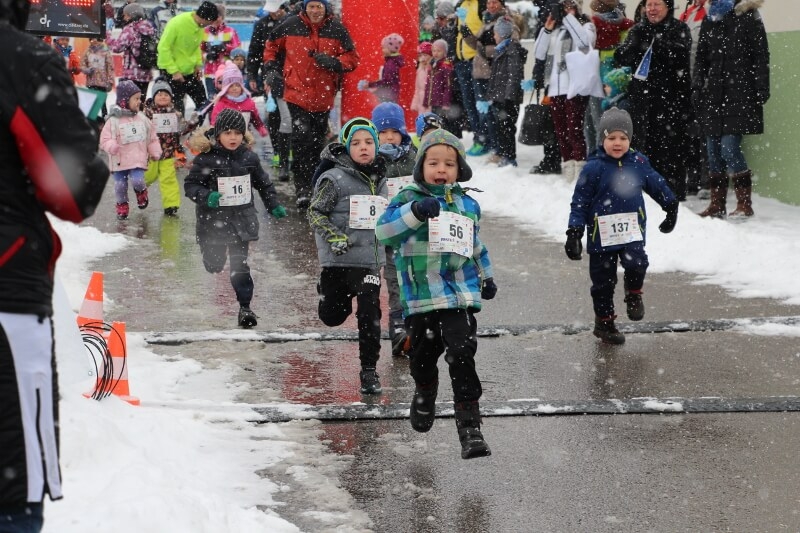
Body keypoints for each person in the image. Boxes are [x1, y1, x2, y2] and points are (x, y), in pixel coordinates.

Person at [1, 0, 109, 527]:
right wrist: (93, 153)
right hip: (8, 289)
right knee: (13, 475)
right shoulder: (22, 60)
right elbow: (72, 191)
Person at [375, 128, 497, 460]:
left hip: (459, 295)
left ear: (459, 170)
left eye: (449, 164)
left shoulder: (467, 204)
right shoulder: (406, 199)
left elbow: (475, 245)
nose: (441, 169)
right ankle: (425, 391)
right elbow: (384, 232)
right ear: (421, 167)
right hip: (422, 297)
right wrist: (415, 213)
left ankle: (470, 427)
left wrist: (487, 276)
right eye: (433, 163)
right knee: (423, 357)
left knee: (462, 353)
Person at [565, 107, 678, 345]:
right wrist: (574, 232)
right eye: (612, 138)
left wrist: (670, 206)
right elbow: (580, 202)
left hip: (631, 231)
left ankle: (634, 293)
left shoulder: (638, 162)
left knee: (637, 263)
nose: (618, 143)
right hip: (601, 234)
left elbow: (657, 184)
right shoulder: (593, 167)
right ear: (602, 139)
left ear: (630, 139)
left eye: (623, 138)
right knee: (603, 282)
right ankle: (604, 323)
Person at [184, 109, 288, 328]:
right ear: (218, 134)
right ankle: (211, 258)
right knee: (214, 264)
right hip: (212, 224)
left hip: (241, 222)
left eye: (238, 133)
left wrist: (273, 205)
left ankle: (245, 308)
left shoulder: (249, 158)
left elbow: (264, 184)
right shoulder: (206, 159)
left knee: (240, 267)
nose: (233, 137)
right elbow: (191, 186)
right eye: (228, 133)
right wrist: (207, 196)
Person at [307, 118, 387, 394]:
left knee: (370, 312)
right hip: (339, 261)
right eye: (356, 143)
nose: (363, 147)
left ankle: (369, 370)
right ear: (346, 148)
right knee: (332, 317)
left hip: (369, 262)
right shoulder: (334, 179)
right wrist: (334, 236)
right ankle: (325, 291)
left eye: (369, 142)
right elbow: (315, 213)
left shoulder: (382, 179)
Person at [263, 0, 360, 209]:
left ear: (325, 8)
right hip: (296, 93)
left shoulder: (336, 28)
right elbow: (270, 45)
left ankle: (316, 184)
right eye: (311, 6)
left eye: (319, 7)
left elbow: (352, 58)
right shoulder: (290, 25)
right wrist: (271, 69)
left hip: (323, 96)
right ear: (305, 7)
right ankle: (302, 188)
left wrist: (335, 63)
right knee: (301, 140)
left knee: (317, 143)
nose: (315, 11)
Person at [693, 0, 769, 218]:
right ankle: (717, 205)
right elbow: (701, 56)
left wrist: (762, 86)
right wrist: (697, 84)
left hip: (740, 92)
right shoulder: (710, 18)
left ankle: (745, 205)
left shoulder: (749, 15)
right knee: (712, 150)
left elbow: (761, 54)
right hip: (714, 93)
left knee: (729, 148)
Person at [614, 0, 692, 200]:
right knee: (644, 145)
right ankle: (647, 188)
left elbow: (681, 58)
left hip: (671, 100)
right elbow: (621, 57)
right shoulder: (638, 30)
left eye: (657, 5)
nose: (652, 9)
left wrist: (657, 42)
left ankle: (673, 191)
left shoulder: (679, 28)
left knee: (671, 147)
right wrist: (634, 45)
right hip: (642, 100)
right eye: (649, 5)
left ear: (668, 7)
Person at [371, 102, 417, 356]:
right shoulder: (371, 161)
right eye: (383, 132)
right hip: (386, 232)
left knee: (415, 277)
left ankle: (416, 326)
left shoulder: (415, 158)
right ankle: (398, 329)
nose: (389, 137)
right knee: (393, 278)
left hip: (413, 230)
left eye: (394, 131)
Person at [534, 0, 597, 181]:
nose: (566, 9)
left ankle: (580, 166)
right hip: (556, 87)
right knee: (561, 132)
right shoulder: (557, 30)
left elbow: (584, 44)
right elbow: (539, 53)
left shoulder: (587, 26)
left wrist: (569, 18)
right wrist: (547, 29)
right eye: (564, 6)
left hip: (575, 86)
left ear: (577, 7)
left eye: (570, 5)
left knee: (574, 130)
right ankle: (568, 165)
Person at [99, 80, 163, 220]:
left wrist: (154, 151)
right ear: (124, 101)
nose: (139, 101)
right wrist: (111, 145)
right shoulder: (113, 121)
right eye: (136, 99)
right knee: (120, 186)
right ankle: (122, 204)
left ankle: (141, 193)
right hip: (119, 160)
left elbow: (152, 136)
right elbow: (104, 139)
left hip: (137, 159)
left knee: (138, 180)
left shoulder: (142, 119)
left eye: (140, 98)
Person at [584, 0, 634, 156]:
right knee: (609, 119)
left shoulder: (595, 24)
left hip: (599, 72)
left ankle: (598, 157)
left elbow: (585, 43)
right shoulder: (623, 23)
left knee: (596, 120)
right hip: (615, 75)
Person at [157, 0, 220, 115]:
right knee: (177, 109)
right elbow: (163, 47)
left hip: (190, 71)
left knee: (203, 105)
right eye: (209, 23)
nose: (208, 25)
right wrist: (174, 71)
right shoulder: (177, 23)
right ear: (204, 18)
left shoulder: (200, 26)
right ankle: (178, 126)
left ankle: (197, 125)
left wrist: (197, 65)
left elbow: (196, 47)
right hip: (172, 72)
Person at [486, 15, 526, 168]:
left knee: (507, 128)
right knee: (501, 127)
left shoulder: (512, 50)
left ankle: (510, 157)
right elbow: (495, 77)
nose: (494, 36)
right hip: (499, 96)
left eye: (496, 33)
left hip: (507, 98)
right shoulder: (500, 50)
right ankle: (503, 154)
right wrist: (491, 95)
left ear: (502, 34)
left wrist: (509, 98)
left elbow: (514, 75)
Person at [143, 79, 184, 216]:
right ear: (154, 97)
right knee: (148, 176)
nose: (163, 97)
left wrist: (189, 125)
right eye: (159, 94)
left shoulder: (175, 113)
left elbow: (181, 130)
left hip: (168, 153)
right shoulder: (148, 113)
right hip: (152, 153)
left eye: (166, 95)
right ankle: (141, 189)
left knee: (168, 178)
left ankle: (171, 204)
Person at [106, 2, 157, 95]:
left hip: (132, 74)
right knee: (140, 100)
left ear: (130, 15)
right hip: (146, 73)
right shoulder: (149, 27)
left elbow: (117, 47)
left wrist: (108, 35)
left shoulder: (130, 29)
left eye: (125, 15)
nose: (124, 18)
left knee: (129, 100)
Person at [210, 61, 269, 138]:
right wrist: (214, 134)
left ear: (241, 87)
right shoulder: (221, 104)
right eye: (231, 86)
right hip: (226, 139)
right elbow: (215, 122)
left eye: (237, 85)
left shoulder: (249, 103)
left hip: (245, 137)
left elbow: (255, 118)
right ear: (225, 88)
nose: (234, 88)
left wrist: (260, 128)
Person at [201, 5, 241, 101]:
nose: (215, 19)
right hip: (210, 73)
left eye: (218, 16)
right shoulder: (204, 32)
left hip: (227, 73)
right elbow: (199, 51)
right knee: (213, 100)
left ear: (222, 17)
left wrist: (225, 48)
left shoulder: (230, 31)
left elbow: (238, 51)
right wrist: (207, 56)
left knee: (228, 99)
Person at [357, 33, 405, 103]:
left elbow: (386, 81)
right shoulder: (392, 62)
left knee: (385, 109)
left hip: (388, 96)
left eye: (384, 48)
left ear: (390, 49)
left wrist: (370, 85)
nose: (382, 50)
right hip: (390, 94)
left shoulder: (390, 63)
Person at [424, 39, 458, 136]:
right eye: (434, 50)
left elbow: (448, 86)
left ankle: (445, 137)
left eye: (439, 51)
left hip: (441, 101)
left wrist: (446, 102)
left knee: (443, 122)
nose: (435, 53)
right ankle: (438, 137)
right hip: (434, 100)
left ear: (444, 52)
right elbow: (429, 85)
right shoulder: (433, 65)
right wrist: (426, 100)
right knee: (435, 122)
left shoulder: (445, 66)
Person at [80, 36, 116, 125]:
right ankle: (91, 122)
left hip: (103, 83)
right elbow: (82, 65)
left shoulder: (105, 51)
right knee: (92, 103)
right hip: (91, 82)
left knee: (102, 103)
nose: (94, 41)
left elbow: (110, 67)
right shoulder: (87, 51)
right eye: (92, 39)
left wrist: (110, 81)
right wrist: (87, 70)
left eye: (97, 39)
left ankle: (105, 121)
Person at [410, 41, 433, 116]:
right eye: (420, 55)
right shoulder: (419, 70)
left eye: (425, 55)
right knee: (422, 119)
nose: (422, 58)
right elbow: (417, 89)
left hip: (430, 103)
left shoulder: (432, 70)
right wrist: (415, 103)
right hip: (421, 103)